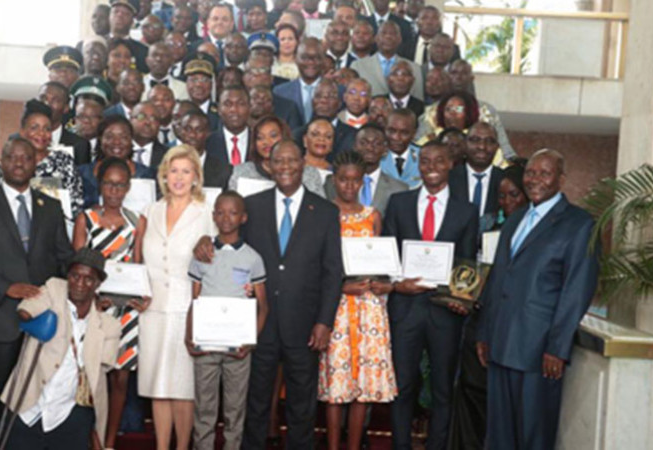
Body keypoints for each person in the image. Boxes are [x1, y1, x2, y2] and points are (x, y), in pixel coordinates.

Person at [195, 139, 343, 449]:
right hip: (258, 322)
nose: (285, 167)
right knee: (256, 401)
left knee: (302, 405)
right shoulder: (254, 205)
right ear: (269, 166)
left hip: (305, 325)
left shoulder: (326, 212)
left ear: (303, 163)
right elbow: (231, 242)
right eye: (279, 162)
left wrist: (324, 322)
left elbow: (333, 272)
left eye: (292, 161)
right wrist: (204, 242)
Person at [476, 149, 599, 450]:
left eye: (545, 173)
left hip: (538, 352)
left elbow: (576, 290)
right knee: (499, 435)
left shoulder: (580, 224)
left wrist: (557, 348)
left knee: (534, 436)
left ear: (561, 179)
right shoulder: (515, 219)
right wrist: (484, 333)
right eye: (531, 173)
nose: (535, 180)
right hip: (501, 344)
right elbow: (497, 280)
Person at [0, 137, 73, 444]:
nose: (19, 162)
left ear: (36, 164)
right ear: (1, 162)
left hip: (42, 323)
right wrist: (6, 287)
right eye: (12, 157)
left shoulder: (52, 208)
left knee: (36, 400)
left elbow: (63, 259)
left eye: (26, 158)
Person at [383, 140, 479, 450]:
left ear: (450, 163)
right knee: (403, 386)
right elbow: (388, 254)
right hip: (406, 309)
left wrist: (461, 298)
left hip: (444, 313)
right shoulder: (399, 203)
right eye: (425, 161)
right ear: (418, 165)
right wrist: (399, 283)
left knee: (441, 389)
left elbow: (466, 263)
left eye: (439, 160)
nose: (432, 167)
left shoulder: (466, 211)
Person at [0, 248, 120, 449]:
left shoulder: (109, 326)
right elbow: (27, 308)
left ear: (98, 284)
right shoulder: (54, 290)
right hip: (30, 405)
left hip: (69, 413)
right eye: (75, 276)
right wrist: (31, 318)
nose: (80, 284)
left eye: (88, 279)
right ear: (68, 276)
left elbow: (103, 369)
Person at [319, 151, 397, 450]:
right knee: (336, 383)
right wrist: (341, 287)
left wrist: (381, 284)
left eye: (355, 181)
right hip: (336, 305)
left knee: (363, 385)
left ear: (363, 181)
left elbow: (384, 263)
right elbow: (320, 264)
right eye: (343, 180)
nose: (349, 186)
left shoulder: (373, 215)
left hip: (369, 307)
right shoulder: (325, 213)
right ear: (334, 180)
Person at [447, 163, 528, 450]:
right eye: (502, 196)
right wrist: (462, 296)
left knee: (501, 398)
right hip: (478, 319)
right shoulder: (487, 224)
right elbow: (469, 267)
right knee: (470, 389)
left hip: (510, 325)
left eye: (513, 195)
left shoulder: (533, 233)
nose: (506, 202)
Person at [140, 145, 216, 450]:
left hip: (188, 310)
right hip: (153, 308)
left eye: (186, 171)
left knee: (184, 388)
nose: (179, 177)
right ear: (164, 175)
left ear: (196, 177)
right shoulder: (151, 211)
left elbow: (214, 261)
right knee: (158, 386)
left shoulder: (207, 213)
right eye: (173, 171)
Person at [72, 157, 149, 449]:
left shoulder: (136, 222)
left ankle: (109, 440)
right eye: (108, 184)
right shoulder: (86, 219)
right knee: (92, 377)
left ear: (128, 187)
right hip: (95, 308)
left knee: (120, 380)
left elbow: (138, 265)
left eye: (120, 185)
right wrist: (93, 300)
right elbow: (78, 265)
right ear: (100, 185)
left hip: (127, 312)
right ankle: (90, 436)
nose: (114, 190)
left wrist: (141, 296)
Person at [185, 191, 269, 450]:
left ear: (243, 217)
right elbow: (195, 301)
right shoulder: (202, 254)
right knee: (204, 411)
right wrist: (189, 335)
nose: (226, 218)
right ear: (213, 216)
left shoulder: (253, 258)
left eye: (233, 212)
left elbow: (263, 307)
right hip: (206, 346)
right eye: (220, 212)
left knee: (235, 412)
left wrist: (250, 341)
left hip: (238, 349)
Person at [0, 100, 84, 219]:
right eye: (35, 128)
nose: (41, 133)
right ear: (23, 132)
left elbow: (76, 204)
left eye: (47, 129)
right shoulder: (6, 164)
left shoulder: (63, 161)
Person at [228, 114, 324, 196]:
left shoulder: (309, 174)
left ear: (284, 137)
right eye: (260, 138)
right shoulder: (241, 172)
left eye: (273, 136)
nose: (266, 142)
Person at [325, 124, 408, 215]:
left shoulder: (399, 189)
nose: (369, 148)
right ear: (354, 146)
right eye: (363, 143)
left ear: (385, 150)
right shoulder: (332, 183)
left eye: (376, 144)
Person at [78, 115, 157, 208]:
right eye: (109, 137)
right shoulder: (81, 174)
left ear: (131, 140)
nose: (116, 142)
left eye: (123, 137)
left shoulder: (148, 175)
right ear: (100, 139)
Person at [448, 122, 506, 225]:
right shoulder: (448, 179)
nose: (482, 147)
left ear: (497, 147)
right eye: (475, 140)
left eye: (489, 141)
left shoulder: (505, 180)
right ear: (465, 144)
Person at [351, 21, 424, 99]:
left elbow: (418, 101)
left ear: (400, 39)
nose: (388, 37)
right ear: (376, 38)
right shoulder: (357, 66)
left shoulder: (414, 68)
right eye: (383, 33)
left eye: (393, 33)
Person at [291, 79, 356, 160]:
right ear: (312, 102)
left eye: (331, 96)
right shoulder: (297, 135)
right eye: (318, 96)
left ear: (339, 103)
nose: (323, 100)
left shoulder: (352, 135)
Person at [38, 82, 92, 166]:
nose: (47, 104)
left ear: (66, 108)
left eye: (55, 100)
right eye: (43, 98)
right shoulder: (20, 139)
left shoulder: (79, 145)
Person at [179, 110, 233, 189]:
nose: (192, 135)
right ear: (181, 131)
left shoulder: (224, 170)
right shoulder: (167, 165)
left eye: (198, 130)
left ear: (208, 133)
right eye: (188, 129)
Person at [206, 85, 251, 166]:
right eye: (227, 104)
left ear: (249, 107)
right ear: (219, 109)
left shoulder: (259, 142)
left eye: (240, 104)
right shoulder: (206, 144)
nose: (234, 109)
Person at [415, 90, 479, 144]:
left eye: (458, 109)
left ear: (468, 113)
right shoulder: (429, 140)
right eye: (448, 109)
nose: (453, 113)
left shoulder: (475, 141)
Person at [381, 108, 422, 188]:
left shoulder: (423, 156)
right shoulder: (376, 155)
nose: (396, 137)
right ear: (385, 129)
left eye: (404, 133)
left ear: (414, 133)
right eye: (391, 131)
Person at [108, 0, 149, 73]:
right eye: (116, 11)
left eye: (125, 13)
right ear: (109, 16)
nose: (120, 15)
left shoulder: (143, 52)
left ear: (132, 22)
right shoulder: (98, 46)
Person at [131, 101, 170, 170]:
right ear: (131, 120)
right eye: (141, 117)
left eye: (153, 118)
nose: (148, 122)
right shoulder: (118, 151)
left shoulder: (169, 155)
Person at [184, 57, 221, 131]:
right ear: (186, 84)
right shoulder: (179, 112)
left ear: (212, 84)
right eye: (194, 80)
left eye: (204, 80)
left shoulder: (221, 113)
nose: (199, 85)